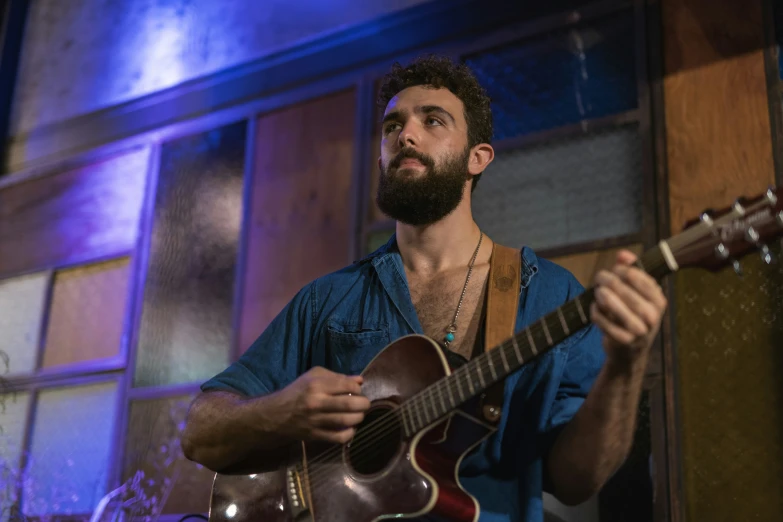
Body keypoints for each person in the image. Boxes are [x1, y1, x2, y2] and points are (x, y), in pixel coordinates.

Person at [181, 55, 667, 521]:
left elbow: (576, 480)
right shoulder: (327, 299)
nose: (406, 134)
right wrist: (282, 410)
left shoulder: (549, 295)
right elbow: (200, 430)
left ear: (478, 158)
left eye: (433, 121)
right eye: (393, 126)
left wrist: (626, 365)